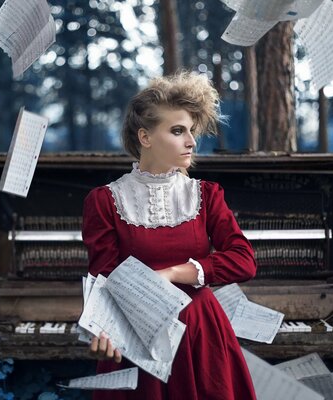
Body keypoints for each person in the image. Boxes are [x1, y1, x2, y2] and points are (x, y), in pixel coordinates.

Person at [82, 71, 257, 400]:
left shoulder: (206, 195)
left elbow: (244, 261)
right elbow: (102, 278)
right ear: (145, 137)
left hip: (201, 337)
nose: (191, 141)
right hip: (138, 340)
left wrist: (175, 273)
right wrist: (102, 325)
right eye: (178, 131)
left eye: (191, 131)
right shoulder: (105, 201)